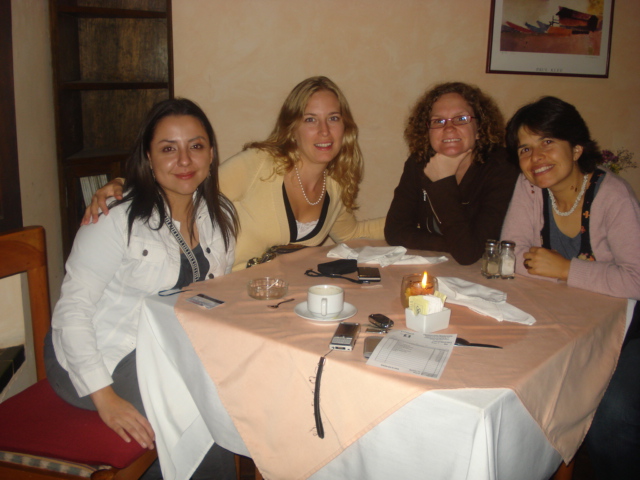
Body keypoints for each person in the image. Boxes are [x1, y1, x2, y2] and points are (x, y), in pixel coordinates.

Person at [45, 98, 239, 479]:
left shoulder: (220, 217)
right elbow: (73, 309)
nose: (184, 160)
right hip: (100, 352)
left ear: (212, 154)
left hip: (167, 346)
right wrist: (106, 398)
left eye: (195, 146)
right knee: (193, 410)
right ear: (148, 158)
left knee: (240, 386)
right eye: (168, 149)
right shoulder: (116, 216)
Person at [85, 76, 384, 270]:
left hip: (272, 297)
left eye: (333, 118)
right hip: (216, 292)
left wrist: (425, 218)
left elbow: (353, 233)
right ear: (292, 128)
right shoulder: (259, 165)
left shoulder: (335, 185)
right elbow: (187, 184)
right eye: (310, 119)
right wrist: (125, 184)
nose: (324, 131)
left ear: (345, 127)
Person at [500, 96, 640, 480]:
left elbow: (636, 279)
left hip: (628, 330)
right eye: (525, 148)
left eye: (548, 142)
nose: (536, 157)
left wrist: (565, 269)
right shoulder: (530, 190)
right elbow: (511, 256)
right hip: (567, 324)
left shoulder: (612, 195)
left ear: (577, 148)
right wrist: (570, 272)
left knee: (612, 417)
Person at [384, 82, 519, 265]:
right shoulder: (418, 163)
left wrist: (443, 182)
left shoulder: (502, 168)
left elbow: (469, 254)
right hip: (438, 266)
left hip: (488, 274)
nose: (448, 128)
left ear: (479, 128)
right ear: (428, 131)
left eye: (461, 119)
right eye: (438, 121)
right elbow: (395, 231)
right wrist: (457, 244)